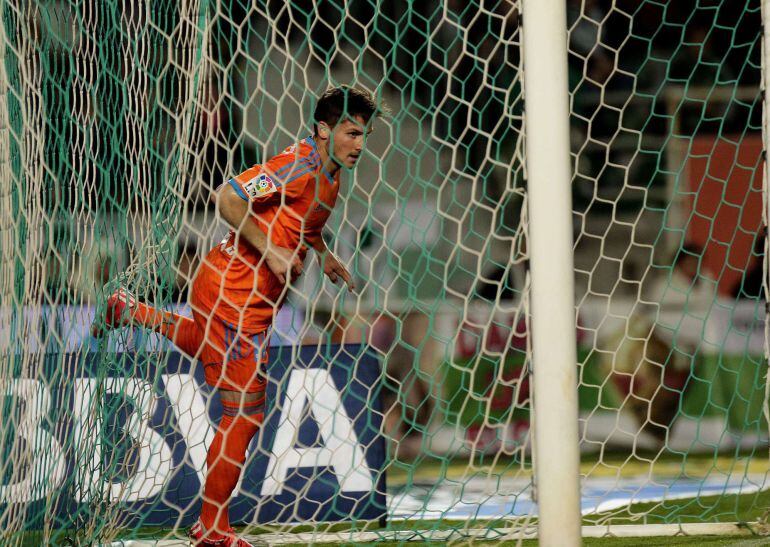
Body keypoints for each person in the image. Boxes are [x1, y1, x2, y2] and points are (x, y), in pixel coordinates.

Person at [92, 86, 385, 546]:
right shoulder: (298, 165)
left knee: (209, 347)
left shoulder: (330, 176)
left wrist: (322, 253)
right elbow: (227, 198)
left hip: (241, 291)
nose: (360, 144)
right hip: (236, 291)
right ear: (324, 131)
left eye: (364, 134)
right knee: (245, 413)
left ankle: (128, 310)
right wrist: (269, 249)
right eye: (352, 133)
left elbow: (303, 222)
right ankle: (212, 528)